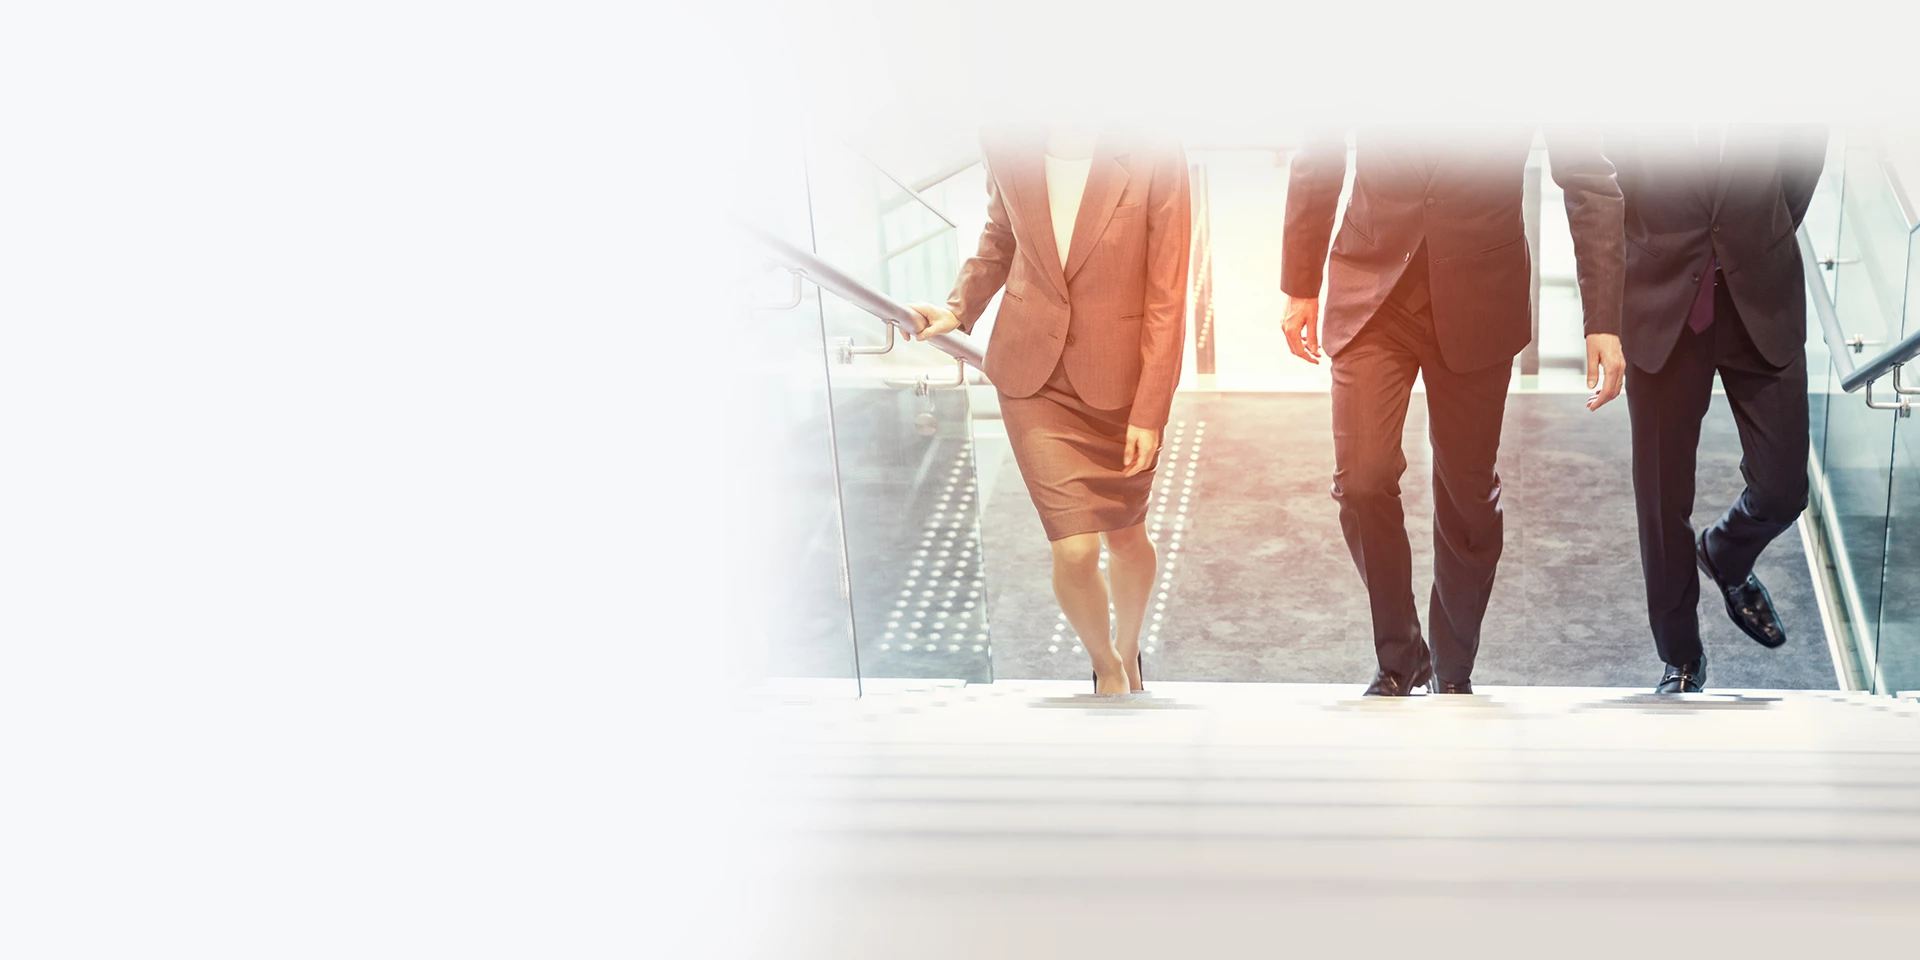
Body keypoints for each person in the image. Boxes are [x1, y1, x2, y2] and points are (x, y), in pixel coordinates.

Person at [1280, 126, 1626, 696]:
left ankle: (1452, 667)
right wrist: (1300, 284)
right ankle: (1400, 656)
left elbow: (1589, 178)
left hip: (1480, 292)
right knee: (1362, 479)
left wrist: (1604, 320)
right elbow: (1319, 145)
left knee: (1468, 500)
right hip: (1374, 284)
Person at [908, 123, 1190, 696]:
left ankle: (1130, 647)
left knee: (1126, 536)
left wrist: (1150, 409)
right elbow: (1000, 237)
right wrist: (958, 309)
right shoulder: (1005, 139)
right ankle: (1106, 665)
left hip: (1120, 381)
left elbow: (1168, 291)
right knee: (1075, 548)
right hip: (1032, 375)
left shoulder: (1154, 147)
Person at [1604, 124, 1827, 693]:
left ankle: (1725, 549)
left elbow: (1804, 153)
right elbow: (1611, 178)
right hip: (1662, 294)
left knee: (1783, 489)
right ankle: (1680, 657)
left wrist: (1753, 238)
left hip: (1761, 288)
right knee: (1661, 499)